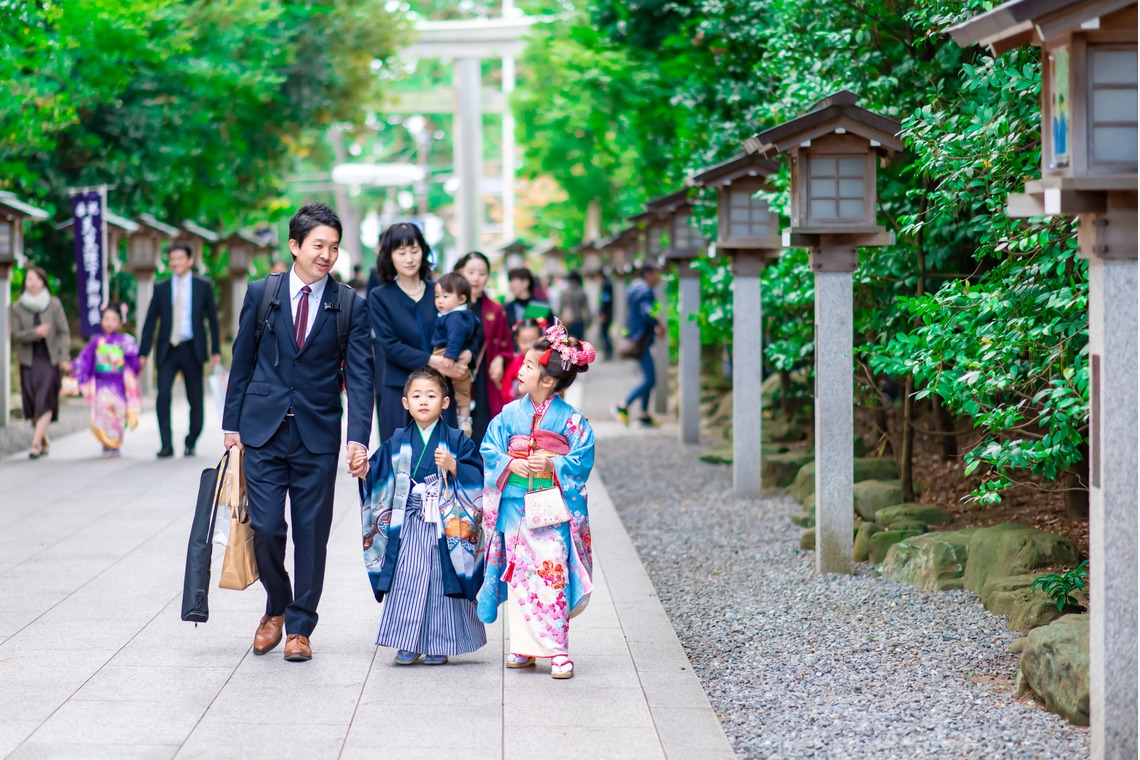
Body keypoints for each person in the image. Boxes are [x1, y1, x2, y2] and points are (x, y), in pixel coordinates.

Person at [222, 202, 374, 663]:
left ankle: (300, 626)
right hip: (263, 431)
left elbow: (361, 376)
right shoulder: (261, 293)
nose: (326, 255)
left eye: (334, 247)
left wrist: (358, 437)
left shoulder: (350, 305)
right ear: (295, 245)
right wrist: (231, 424)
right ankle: (276, 605)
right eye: (317, 246)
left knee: (311, 534)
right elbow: (242, 359)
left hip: (317, 435)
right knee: (267, 527)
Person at [477, 320, 597, 680]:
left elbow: (582, 458)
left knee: (551, 572)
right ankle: (524, 647)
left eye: (528, 365)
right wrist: (510, 463)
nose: (521, 369)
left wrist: (553, 463)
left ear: (547, 380)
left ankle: (557, 649)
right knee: (519, 575)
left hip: (551, 508)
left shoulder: (571, 421)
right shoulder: (508, 415)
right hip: (514, 506)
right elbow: (489, 449)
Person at [360, 366, 486, 665]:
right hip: (408, 523)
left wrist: (455, 465)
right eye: (416, 396)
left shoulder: (456, 440)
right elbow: (377, 474)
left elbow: (478, 477)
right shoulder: (397, 441)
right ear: (406, 403)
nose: (424, 401)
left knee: (442, 579)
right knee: (407, 578)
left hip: (446, 525)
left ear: (445, 401)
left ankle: (440, 642)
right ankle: (407, 642)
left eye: (431, 395)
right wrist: (365, 470)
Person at [369, 223, 469, 443]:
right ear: (389, 256)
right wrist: (433, 361)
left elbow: (466, 325)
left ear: (423, 252)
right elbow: (390, 345)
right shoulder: (379, 296)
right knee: (400, 458)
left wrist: (467, 353)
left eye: (414, 251)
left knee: (442, 455)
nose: (409, 259)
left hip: (439, 388)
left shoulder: (440, 290)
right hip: (399, 391)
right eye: (401, 252)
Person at [138, 243, 221, 458]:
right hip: (168, 350)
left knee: (195, 399)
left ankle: (191, 440)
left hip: (192, 349)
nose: (175, 262)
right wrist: (143, 353)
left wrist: (216, 350)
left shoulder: (203, 286)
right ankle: (166, 444)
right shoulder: (161, 288)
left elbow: (213, 320)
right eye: (172, 259)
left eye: (180, 258)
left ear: (190, 261)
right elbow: (150, 321)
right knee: (163, 395)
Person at [453, 251, 515, 448]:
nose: (476, 278)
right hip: (453, 375)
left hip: (482, 380)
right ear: (460, 272)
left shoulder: (495, 310)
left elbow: (506, 345)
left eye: (482, 273)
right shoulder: (448, 304)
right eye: (471, 272)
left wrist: (500, 359)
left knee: (480, 428)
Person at [10, 267, 71, 459]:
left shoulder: (54, 305)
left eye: (37, 279)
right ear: (25, 283)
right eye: (29, 279)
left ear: (44, 282)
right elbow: (13, 335)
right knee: (32, 402)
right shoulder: (16, 308)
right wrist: (34, 333)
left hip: (50, 360)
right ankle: (44, 440)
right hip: (28, 361)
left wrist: (64, 357)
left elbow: (63, 332)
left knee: (44, 399)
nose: (33, 283)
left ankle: (35, 444)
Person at [73, 303, 141, 457]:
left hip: (118, 384)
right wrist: (75, 367)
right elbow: (86, 359)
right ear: (101, 320)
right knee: (103, 411)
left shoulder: (124, 341)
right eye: (107, 318)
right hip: (102, 383)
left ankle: (115, 442)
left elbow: (133, 360)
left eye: (114, 319)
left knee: (118, 412)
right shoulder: (97, 341)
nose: (110, 322)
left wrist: (136, 361)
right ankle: (106, 441)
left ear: (120, 322)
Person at [612, 263, 665, 428]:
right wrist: (657, 324)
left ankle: (644, 415)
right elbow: (646, 311)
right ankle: (623, 405)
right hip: (641, 339)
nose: (658, 278)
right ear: (647, 274)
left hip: (637, 337)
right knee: (650, 379)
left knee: (648, 377)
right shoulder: (645, 290)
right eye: (656, 273)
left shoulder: (634, 287)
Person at [430, 273, 481, 437]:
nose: (440, 301)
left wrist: (449, 357)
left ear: (461, 299)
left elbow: (456, 337)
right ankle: (464, 419)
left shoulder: (454, 317)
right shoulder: (467, 315)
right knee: (463, 390)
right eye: (437, 296)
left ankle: (436, 414)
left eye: (445, 296)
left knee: (435, 383)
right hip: (462, 356)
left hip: (446, 352)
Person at [499, 318, 544, 405]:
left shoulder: (545, 362)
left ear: (541, 338)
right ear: (517, 340)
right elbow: (506, 387)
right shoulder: (514, 363)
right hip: (518, 405)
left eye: (533, 341)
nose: (528, 346)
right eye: (524, 342)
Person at [558, 271, 591, 341]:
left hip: (567, 321)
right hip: (579, 320)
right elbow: (586, 309)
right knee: (578, 342)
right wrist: (588, 322)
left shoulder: (565, 292)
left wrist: (560, 321)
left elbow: (561, 308)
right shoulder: (581, 292)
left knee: (567, 341)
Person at [595, 270, 614, 361]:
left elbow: (605, 301)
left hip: (606, 314)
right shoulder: (608, 284)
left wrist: (602, 313)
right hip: (608, 313)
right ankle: (608, 351)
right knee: (605, 333)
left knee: (604, 333)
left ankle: (608, 351)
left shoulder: (606, 285)